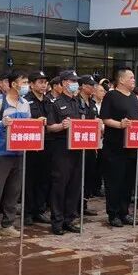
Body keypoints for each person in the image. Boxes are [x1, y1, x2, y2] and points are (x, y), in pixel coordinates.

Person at [0, 70, 31, 241]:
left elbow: (28, 126)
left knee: (14, 190)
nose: (26, 85)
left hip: (19, 153)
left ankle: (7, 224)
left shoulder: (25, 104)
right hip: (2, 152)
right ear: (13, 84)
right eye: (23, 82)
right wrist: (2, 123)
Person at [99, 67, 138, 228]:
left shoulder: (133, 97)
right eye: (131, 78)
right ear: (121, 80)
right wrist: (120, 125)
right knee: (114, 181)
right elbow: (105, 118)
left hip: (131, 147)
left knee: (127, 182)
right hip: (114, 147)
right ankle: (113, 214)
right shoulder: (111, 96)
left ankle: (124, 212)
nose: (133, 80)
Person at [46, 71, 84, 235]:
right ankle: (57, 221)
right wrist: (62, 126)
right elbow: (50, 126)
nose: (75, 83)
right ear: (64, 83)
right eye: (72, 81)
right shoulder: (56, 103)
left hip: (77, 148)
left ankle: (70, 219)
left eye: (76, 81)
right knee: (60, 184)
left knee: (74, 185)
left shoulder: (78, 102)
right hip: (61, 149)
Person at [22, 70, 51, 226]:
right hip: (30, 145)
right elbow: (21, 122)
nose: (43, 85)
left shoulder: (48, 101)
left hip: (46, 143)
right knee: (29, 180)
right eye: (40, 82)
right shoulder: (25, 101)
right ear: (31, 84)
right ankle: (27, 212)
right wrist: (35, 121)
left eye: (45, 82)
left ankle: (39, 210)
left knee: (43, 178)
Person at [76, 74, 100, 216]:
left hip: (91, 143)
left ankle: (83, 204)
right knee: (78, 175)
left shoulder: (92, 103)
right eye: (91, 85)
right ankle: (75, 205)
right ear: (83, 86)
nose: (93, 87)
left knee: (89, 174)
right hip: (78, 144)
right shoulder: (75, 101)